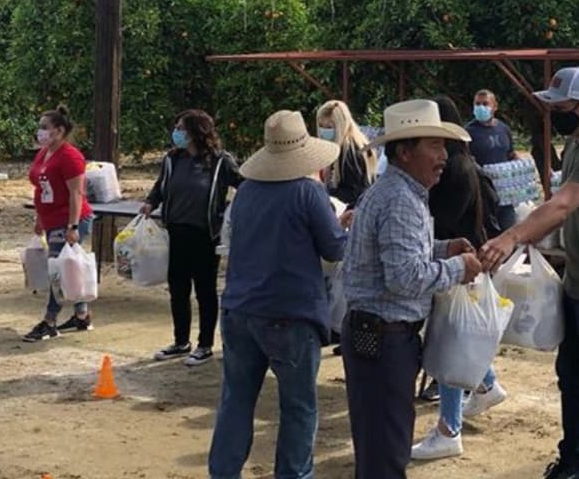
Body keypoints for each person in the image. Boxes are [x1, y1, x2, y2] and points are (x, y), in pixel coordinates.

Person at [480, 67, 579, 479]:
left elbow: (563, 205)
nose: (555, 114)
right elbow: (559, 211)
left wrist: (513, 236)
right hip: (578, 281)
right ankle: (572, 463)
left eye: (562, 107)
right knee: (570, 379)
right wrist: (534, 235)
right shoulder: (575, 145)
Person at [340, 99, 482, 479]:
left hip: (382, 337)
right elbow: (404, 278)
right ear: (405, 152)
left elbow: (398, 253)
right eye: (434, 146)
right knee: (385, 453)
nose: (444, 156)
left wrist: (443, 249)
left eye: (444, 146)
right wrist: (458, 267)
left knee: (384, 445)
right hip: (382, 339)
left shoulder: (400, 192)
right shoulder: (400, 199)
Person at [207, 110, 348, 479]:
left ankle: (223, 472)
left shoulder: (247, 192)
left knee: (236, 400)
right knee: (298, 407)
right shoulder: (308, 192)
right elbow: (335, 248)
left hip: (239, 308)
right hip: (290, 312)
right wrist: (345, 227)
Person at [412, 96, 506, 462]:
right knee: (457, 337)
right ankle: (487, 383)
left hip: (458, 265)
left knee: (451, 345)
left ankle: (449, 428)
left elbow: (443, 221)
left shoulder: (454, 171)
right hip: (464, 260)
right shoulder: (463, 164)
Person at [141, 109, 243, 366]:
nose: (176, 133)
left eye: (181, 128)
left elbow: (244, 184)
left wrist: (232, 213)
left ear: (196, 132)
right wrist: (151, 202)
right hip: (176, 231)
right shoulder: (172, 159)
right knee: (178, 289)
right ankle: (180, 341)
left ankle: (205, 344)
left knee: (205, 290)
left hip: (206, 235)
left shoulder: (220, 161)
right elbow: (161, 186)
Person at [23, 106, 95, 342]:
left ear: (60, 130)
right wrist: (40, 218)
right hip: (52, 219)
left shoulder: (70, 156)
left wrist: (72, 227)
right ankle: (82, 316)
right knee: (69, 267)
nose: (40, 132)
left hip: (68, 219)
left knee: (58, 271)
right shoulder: (44, 153)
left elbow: (76, 193)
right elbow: (41, 188)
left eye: (45, 127)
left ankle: (50, 321)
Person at [466, 88, 521, 232]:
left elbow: (511, 154)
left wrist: (519, 165)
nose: (481, 107)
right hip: (482, 196)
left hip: (505, 195)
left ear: (495, 106)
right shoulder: (468, 132)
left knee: (509, 232)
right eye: (477, 104)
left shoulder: (504, 129)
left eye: (485, 104)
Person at [315, 99, 377, 208]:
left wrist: (326, 192)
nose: (323, 131)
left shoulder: (350, 152)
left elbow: (354, 193)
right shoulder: (346, 145)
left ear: (340, 126)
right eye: (321, 126)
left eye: (329, 127)